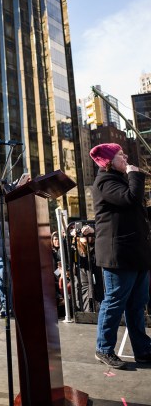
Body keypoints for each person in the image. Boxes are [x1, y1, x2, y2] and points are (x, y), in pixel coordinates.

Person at [90, 143, 151, 369]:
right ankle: (104, 348)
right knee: (114, 302)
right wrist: (135, 174)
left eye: (124, 153)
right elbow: (130, 199)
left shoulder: (121, 179)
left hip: (136, 253)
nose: (125, 157)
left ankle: (143, 349)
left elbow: (137, 208)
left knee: (137, 304)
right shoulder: (105, 182)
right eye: (119, 155)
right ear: (107, 161)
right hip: (120, 255)